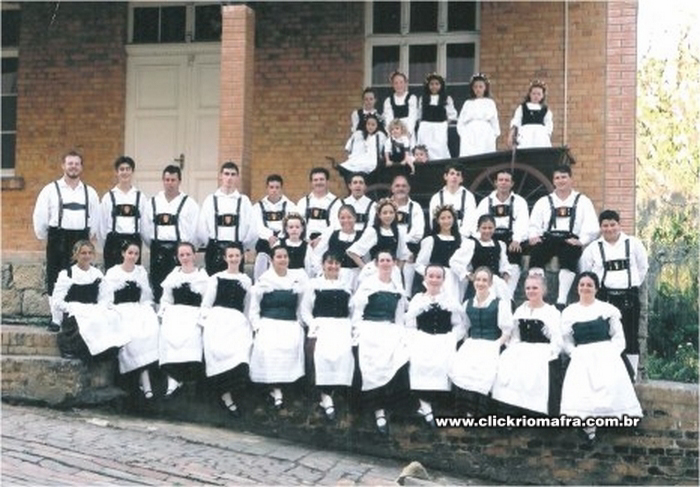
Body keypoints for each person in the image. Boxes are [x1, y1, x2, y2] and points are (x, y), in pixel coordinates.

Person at [560, 272, 643, 441]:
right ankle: (589, 428)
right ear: (577, 288)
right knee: (583, 391)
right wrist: (574, 353)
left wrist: (610, 354)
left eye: (589, 285)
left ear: (596, 289)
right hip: (581, 355)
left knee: (609, 387)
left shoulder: (607, 310)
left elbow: (619, 338)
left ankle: (614, 420)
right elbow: (565, 341)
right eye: (582, 285)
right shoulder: (569, 312)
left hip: (606, 354)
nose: (585, 288)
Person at [33, 150, 100, 332]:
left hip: (80, 238)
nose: (73, 167)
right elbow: (40, 216)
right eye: (70, 163)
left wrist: (88, 238)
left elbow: (95, 219)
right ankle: (56, 318)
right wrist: (46, 236)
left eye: (77, 164)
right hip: (58, 238)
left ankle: (76, 316)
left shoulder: (90, 192)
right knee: (55, 277)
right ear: (63, 166)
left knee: (79, 276)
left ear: (81, 167)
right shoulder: (50, 190)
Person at [580, 210, 649, 378]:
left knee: (630, 336)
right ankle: (605, 374)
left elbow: (643, 267)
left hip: (629, 296)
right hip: (604, 297)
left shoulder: (633, 243)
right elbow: (585, 271)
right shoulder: (593, 248)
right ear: (600, 227)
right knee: (604, 336)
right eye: (605, 225)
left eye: (612, 225)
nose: (609, 229)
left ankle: (631, 376)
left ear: (619, 225)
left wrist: (632, 284)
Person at [351, 250, 410, 435]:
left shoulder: (397, 287)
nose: (385, 263)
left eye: (388, 260)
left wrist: (401, 333)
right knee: (371, 362)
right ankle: (377, 409)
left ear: (393, 263)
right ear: (376, 264)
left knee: (400, 356)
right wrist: (357, 330)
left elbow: (399, 316)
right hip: (369, 327)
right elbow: (358, 312)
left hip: (390, 328)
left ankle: (393, 406)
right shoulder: (368, 285)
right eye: (382, 260)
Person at [492, 272, 563, 416]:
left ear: (543, 290)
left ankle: (535, 413)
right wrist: (513, 349)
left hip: (542, 350)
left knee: (535, 370)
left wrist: (549, 353)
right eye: (528, 288)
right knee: (508, 367)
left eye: (535, 288)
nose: (531, 291)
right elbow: (515, 335)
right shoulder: (520, 310)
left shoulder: (551, 312)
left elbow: (557, 339)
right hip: (521, 348)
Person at [528, 165, 599, 309]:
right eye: (557, 178)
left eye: (564, 177)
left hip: (569, 239)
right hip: (548, 238)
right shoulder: (544, 201)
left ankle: (561, 300)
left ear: (571, 179)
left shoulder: (583, 201)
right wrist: (534, 236)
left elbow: (592, 225)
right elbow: (533, 224)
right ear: (553, 181)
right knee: (536, 255)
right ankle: (538, 297)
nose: (561, 181)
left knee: (569, 256)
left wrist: (581, 241)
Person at [405, 264, 465, 428]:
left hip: (444, 339)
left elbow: (459, 325)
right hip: (422, 338)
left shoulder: (450, 300)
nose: (434, 280)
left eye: (438, 277)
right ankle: (425, 406)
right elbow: (409, 324)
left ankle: (429, 405)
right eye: (431, 276)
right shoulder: (418, 299)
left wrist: (451, 338)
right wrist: (414, 339)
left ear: (443, 280)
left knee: (442, 364)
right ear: (425, 278)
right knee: (418, 363)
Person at [249, 245, 309, 410]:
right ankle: (274, 388)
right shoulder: (264, 280)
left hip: (290, 322)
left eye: (285, 256)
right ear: (272, 259)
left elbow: (301, 306)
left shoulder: (296, 279)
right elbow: (254, 308)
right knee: (269, 346)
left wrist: (299, 323)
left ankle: (286, 386)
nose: (283, 260)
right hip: (269, 322)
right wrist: (257, 326)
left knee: (292, 344)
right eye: (279, 257)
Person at [450, 266, 513, 418]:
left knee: (485, 373)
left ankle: (480, 412)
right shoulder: (467, 303)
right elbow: (465, 326)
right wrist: (466, 342)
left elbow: (507, 331)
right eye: (478, 279)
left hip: (492, 344)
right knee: (464, 370)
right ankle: (467, 411)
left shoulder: (499, 304)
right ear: (473, 282)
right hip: (472, 343)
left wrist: (495, 346)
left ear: (490, 283)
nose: (480, 283)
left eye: (485, 280)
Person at [199, 244, 253, 417]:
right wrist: (207, 322)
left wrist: (247, 324)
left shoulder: (246, 280)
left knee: (240, 354)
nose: (234, 259)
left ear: (242, 257)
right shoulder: (216, 278)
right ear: (225, 258)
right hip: (218, 320)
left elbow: (247, 307)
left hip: (237, 322)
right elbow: (206, 304)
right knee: (219, 351)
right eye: (231, 256)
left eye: (237, 256)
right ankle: (225, 397)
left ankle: (231, 393)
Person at [301, 251, 355, 422]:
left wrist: (350, 326)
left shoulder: (346, 286)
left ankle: (333, 392)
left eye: (337, 263)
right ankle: (324, 395)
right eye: (330, 263)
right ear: (323, 265)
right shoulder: (314, 285)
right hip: (321, 325)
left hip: (342, 326)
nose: (333, 266)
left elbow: (352, 310)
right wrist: (313, 325)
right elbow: (305, 310)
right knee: (321, 354)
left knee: (345, 354)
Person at [103, 241, 159, 400]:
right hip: (120, 310)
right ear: (123, 253)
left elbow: (145, 297)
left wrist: (148, 309)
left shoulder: (140, 272)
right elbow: (106, 297)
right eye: (130, 253)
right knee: (131, 336)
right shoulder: (113, 272)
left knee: (150, 331)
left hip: (137, 309)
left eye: (136, 254)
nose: (133, 256)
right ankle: (145, 381)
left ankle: (145, 377)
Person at [53, 240, 128, 361]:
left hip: (93, 309)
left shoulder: (96, 273)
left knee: (112, 317)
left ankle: (107, 351)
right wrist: (73, 307)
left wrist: (100, 308)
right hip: (74, 312)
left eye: (89, 253)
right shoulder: (67, 274)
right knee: (88, 324)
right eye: (83, 253)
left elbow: (105, 296)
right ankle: (75, 348)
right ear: (76, 255)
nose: (87, 256)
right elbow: (57, 301)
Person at [158, 242, 209, 398]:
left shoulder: (202, 277)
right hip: (175, 314)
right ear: (177, 257)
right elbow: (166, 299)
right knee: (167, 334)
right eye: (182, 255)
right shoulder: (173, 276)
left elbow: (207, 302)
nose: (185, 258)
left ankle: (185, 379)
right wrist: (165, 312)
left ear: (194, 255)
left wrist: (202, 317)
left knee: (192, 337)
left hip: (194, 314)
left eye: (188, 254)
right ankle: (172, 381)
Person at [142, 165, 200, 303]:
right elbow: (145, 229)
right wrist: (155, 246)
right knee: (158, 286)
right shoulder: (153, 202)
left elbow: (195, 230)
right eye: (167, 180)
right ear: (163, 181)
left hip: (179, 251)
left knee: (179, 287)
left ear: (179, 181)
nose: (170, 183)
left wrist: (186, 250)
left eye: (173, 180)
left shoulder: (189, 204)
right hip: (158, 250)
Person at [475, 170, 529, 297]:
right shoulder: (486, 202)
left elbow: (523, 223)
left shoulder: (519, 202)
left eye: (507, 180)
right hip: (490, 236)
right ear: (495, 183)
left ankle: (509, 294)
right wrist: (482, 239)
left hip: (511, 238)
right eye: (501, 180)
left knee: (514, 257)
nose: (503, 183)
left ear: (512, 183)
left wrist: (517, 240)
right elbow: (477, 222)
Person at [197, 161, 254, 275]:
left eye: (233, 174)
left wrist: (242, 246)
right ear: (220, 176)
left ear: (237, 177)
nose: (229, 178)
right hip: (214, 250)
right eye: (226, 174)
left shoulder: (244, 201)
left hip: (236, 251)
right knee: (213, 283)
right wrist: (210, 243)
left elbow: (252, 229)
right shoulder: (210, 200)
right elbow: (202, 227)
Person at [346, 198, 411, 287]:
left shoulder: (399, 232)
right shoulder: (373, 231)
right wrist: (366, 269)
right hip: (375, 275)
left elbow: (403, 255)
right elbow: (353, 252)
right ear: (379, 215)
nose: (388, 216)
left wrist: (397, 271)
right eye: (385, 213)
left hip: (392, 275)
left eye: (391, 212)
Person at [98, 156, 147, 271]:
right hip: (113, 244)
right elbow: (102, 225)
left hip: (133, 243)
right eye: (122, 169)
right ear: (117, 172)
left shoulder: (140, 197)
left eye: (128, 169)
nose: (125, 172)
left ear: (132, 172)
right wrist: (106, 244)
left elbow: (145, 225)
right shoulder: (108, 197)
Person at [450, 214, 511, 301]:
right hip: (478, 285)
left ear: (494, 228)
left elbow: (504, 264)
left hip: (496, 285)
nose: (487, 231)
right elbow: (454, 262)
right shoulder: (471, 244)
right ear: (478, 228)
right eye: (484, 228)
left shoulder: (500, 245)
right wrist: (468, 275)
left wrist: (505, 276)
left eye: (490, 228)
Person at [252, 174, 297, 281]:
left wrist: (279, 237)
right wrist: (269, 236)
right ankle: (260, 284)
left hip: (283, 240)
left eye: (277, 187)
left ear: (281, 188)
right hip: (265, 242)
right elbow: (257, 225)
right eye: (271, 187)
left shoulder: (290, 206)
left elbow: (292, 224)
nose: (274, 190)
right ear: (267, 188)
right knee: (261, 264)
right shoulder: (257, 207)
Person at [415, 205, 463, 300]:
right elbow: (419, 264)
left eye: (449, 217)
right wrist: (433, 275)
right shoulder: (431, 240)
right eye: (443, 218)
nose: (446, 221)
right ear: (437, 221)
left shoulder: (460, 241)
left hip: (455, 281)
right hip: (437, 281)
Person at [312, 205, 362, 289]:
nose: (346, 220)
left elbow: (366, 258)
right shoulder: (331, 234)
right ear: (338, 219)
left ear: (355, 218)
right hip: (336, 275)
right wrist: (321, 273)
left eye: (349, 217)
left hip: (356, 276)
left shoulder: (362, 236)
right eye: (342, 218)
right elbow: (318, 254)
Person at [391, 174, 425, 295]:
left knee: (410, 258)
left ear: (409, 188)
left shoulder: (415, 207)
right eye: (397, 186)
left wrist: (403, 253)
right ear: (392, 188)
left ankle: (407, 295)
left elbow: (418, 233)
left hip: (409, 250)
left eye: (404, 186)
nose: (400, 188)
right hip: (389, 247)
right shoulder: (384, 205)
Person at [457, 73, 501, 157]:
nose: (478, 89)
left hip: (485, 134)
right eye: (475, 87)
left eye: (480, 87)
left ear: (485, 88)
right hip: (470, 134)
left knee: (485, 154)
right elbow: (461, 122)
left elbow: (494, 120)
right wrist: (464, 134)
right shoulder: (468, 103)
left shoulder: (490, 103)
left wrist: (494, 135)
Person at [416, 73, 457, 161]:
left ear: (441, 85)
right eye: (431, 84)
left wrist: (445, 123)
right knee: (425, 147)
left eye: (437, 84)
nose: (434, 86)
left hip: (440, 127)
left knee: (439, 147)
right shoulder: (423, 98)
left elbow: (452, 115)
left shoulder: (446, 98)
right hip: (425, 127)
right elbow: (419, 114)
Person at [428, 164, 477, 237]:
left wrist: (458, 237)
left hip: (463, 238)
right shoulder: (436, 198)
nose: (455, 177)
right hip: (441, 238)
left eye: (458, 174)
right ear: (445, 176)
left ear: (461, 179)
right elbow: (434, 222)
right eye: (452, 173)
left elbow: (470, 221)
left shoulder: (469, 197)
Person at [296, 167, 341, 245]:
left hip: (328, 243)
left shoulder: (337, 203)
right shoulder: (303, 202)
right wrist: (306, 240)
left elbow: (336, 225)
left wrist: (321, 239)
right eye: (315, 180)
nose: (318, 182)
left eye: (321, 179)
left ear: (327, 181)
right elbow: (297, 224)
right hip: (305, 242)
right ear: (311, 182)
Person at [508, 79, 553, 149]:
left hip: (540, 138)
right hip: (526, 137)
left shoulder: (546, 110)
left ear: (543, 95)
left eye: (539, 94)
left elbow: (549, 124)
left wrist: (547, 136)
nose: (536, 96)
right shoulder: (522, 107)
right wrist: (511, 135)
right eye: (534, 93)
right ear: (530, 94)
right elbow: (516, 121)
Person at [382, 71, 418, 142]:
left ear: (406, 83)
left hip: (408, 134)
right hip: (394, 134)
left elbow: (413, 117)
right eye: (396, 83)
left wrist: (407, 133)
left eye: (401, 82)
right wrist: (393, 133)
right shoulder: (388, 101)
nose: (399, 85)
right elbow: (388, 118)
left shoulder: (412, 98)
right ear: (392, 85)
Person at [275, 213, 313, 277]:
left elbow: (309, 266)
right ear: (286, 229)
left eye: (297, 227)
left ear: (302, 229)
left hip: (300, 277)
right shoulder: (279, 244)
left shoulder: (306, 247)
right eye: (291, 227)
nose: (294, 230)